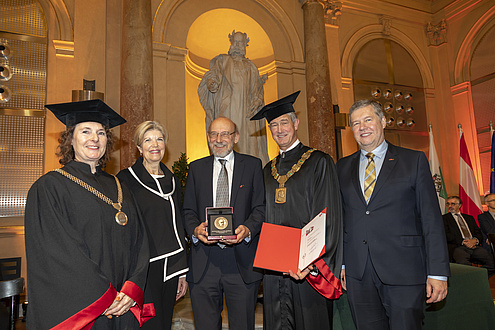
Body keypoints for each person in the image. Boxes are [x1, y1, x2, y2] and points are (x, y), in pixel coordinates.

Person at [25, 99, 154, 329]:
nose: (95, 138)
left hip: (124, 305)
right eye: (86, 131)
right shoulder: (50, 187)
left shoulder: (120, 186)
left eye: (101, 133)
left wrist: (132, 288)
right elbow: (59, 254)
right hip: (86, 310)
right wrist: (104, 295)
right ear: (70, 139)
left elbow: (140, 242)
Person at [337, 99, 450, 330]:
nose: (362, 127)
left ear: (383, 121)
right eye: (356, 123)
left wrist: (438, 272)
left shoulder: (413, 160)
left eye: (368, 119)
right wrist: (343, 265)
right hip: (359, 274)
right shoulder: (341, 167)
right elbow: (341, 219)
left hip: (404, 272)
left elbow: (431, 220)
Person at [250, 91, 343, 330]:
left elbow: (327, 216)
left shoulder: (318, 162)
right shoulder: (267, 171)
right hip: (275, 270)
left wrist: (312, 264)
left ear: (296, 123)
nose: (279, 129)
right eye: (273, 125)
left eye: (284, 122)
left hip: (308, 269)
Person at [182, 116, 265, 329]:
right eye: (213, 134)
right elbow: (188, 209)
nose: (218, 139)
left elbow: (260, 208)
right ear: (208, 137)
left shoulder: (253, 165)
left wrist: (248, 229)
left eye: (225, 134)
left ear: (235, 137)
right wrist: (194, 228)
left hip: (242, 263)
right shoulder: (196, 168)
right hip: (204, 263)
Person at [117, 121, 188, 329]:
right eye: (147, 140)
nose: (154, 144)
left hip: (171, 266)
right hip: (143, 268)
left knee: (165, 322)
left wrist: (181, 272)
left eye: (159, 139)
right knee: (147, 324)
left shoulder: (173, 180)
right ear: (139, 147)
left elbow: (177, 225)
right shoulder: (125, 179)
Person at [198, 30, 269, 164]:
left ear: (244, 45)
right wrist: (212, 83)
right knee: (225, 135)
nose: (237, 45)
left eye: (240, 42)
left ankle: (248, 169)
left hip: (247, 113)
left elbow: (257, 90)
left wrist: (258, 100)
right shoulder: (223, 61)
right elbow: (212, 74)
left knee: (248, 143)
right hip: (227, 109)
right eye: (235, 42)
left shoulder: (251, 67)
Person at [443, 195, 495, 276]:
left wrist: (475, 240)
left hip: (474, 246)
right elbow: (446, 235)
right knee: (465, 266)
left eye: (453, 204)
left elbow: (478, 233)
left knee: (492, 263)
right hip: (458, 247)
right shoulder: (444, 219)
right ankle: (472, 280)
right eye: (448, 204)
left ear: (459, 205)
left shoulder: (469, 218)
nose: (450, 206)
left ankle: (477, 278)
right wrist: (463, 241)